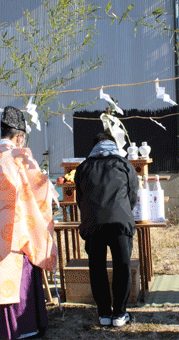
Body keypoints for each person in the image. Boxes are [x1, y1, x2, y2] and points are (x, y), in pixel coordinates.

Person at [0, 106, 58, 339]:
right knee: (21, 272)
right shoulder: (20, 158)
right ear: (19, 136)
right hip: (13, 225)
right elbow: (38, 189)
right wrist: (51, 194)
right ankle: (22, 327)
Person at [74, 132, 139, 327]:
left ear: (94, 147)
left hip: (93, 224)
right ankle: (119, 314)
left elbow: (80, 199)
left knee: (97, 268)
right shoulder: (124, 164)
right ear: (113, 144)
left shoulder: (83, 167)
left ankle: (103, 314)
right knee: (122, 267)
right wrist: (123, 211)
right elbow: (132, 194)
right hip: (120, 222)